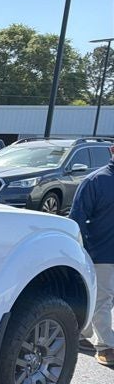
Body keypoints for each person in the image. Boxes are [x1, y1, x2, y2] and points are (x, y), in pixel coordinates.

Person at [70, 144, 114, 367]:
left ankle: (83, 334)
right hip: (101, 253)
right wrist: (84, 250)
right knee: (102, 301)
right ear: (112, 150)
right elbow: (77, 218)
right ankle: (106, 346)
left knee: (106, 300)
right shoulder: (95, 181)